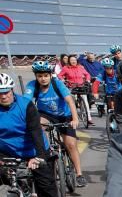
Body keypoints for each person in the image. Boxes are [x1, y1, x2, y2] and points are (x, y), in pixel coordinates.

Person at [0, 72, 63, 197]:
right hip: (7, 151)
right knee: (6, 177)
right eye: (0, 93)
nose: (3, 96)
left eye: (6, 92)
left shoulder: (26, 105)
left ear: (12, 90)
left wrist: (39, 156)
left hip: (33, 148)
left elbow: (36, 132)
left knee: (44, 179)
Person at [26, 60, 85, 188]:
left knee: (71, 144)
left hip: (64, 115)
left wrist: (75, 119)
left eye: (46, 75)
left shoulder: (57, 84)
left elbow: (70, 101)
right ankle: (46, 150)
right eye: (40, 76)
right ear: (36, 76)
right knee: (39, 127)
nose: (43, 79)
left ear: (50, 75)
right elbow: (25, 102)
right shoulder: (32, 85)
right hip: (46, 115)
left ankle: (79, 174)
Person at [57, 54, 93, 127]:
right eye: (71, 60)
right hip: (71, 86)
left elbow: (87, 74)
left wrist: (88, 80)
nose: (73, 61)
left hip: (81, 86)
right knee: (71, 102)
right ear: (69, 61)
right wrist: (63, 80)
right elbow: (59, 75)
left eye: (74, 60)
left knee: (85, 101)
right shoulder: (65, 68)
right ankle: (73, 117)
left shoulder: (80, 67)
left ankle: (89, 118)